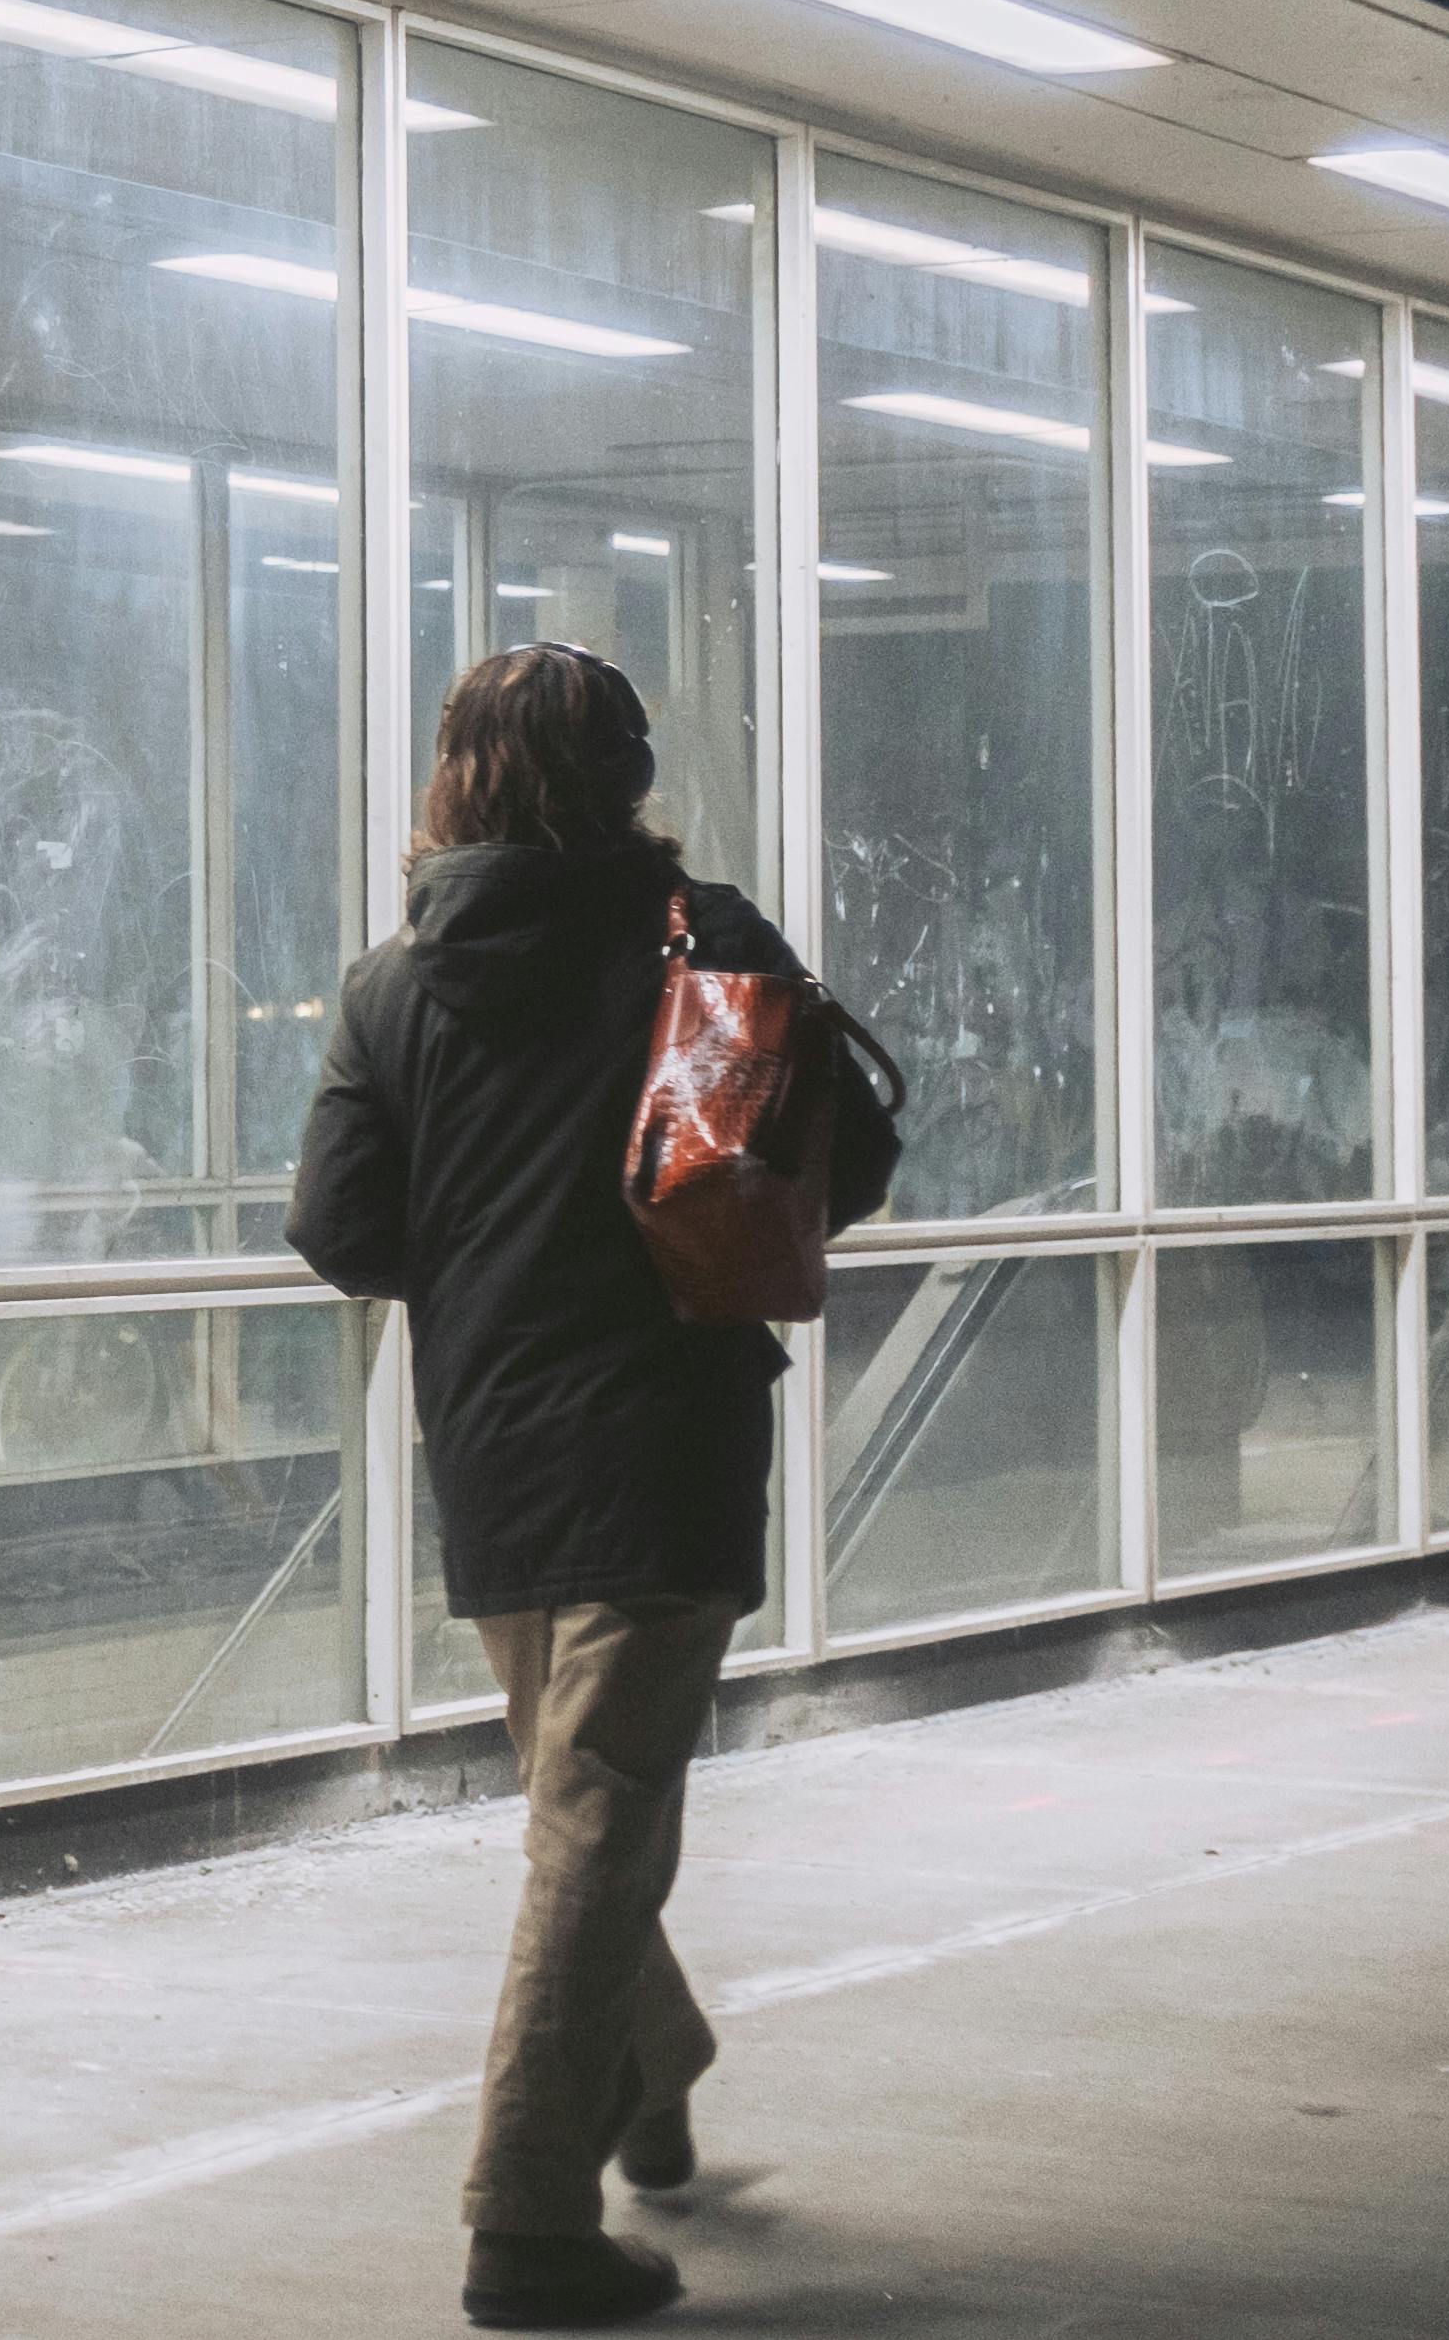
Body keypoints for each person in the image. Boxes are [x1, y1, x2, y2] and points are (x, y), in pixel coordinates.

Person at [289, 642, 896, 2329]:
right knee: (600, 1816)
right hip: (664, 1431)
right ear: (626, 774)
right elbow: (854, 1153)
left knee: (586, 1805)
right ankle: (525, 2221)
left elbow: (341, 1227)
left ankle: (656, 2051)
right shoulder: (708, 942)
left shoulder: (391, 982)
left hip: (492, 1446)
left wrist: (490, 1253)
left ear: (453, 774)